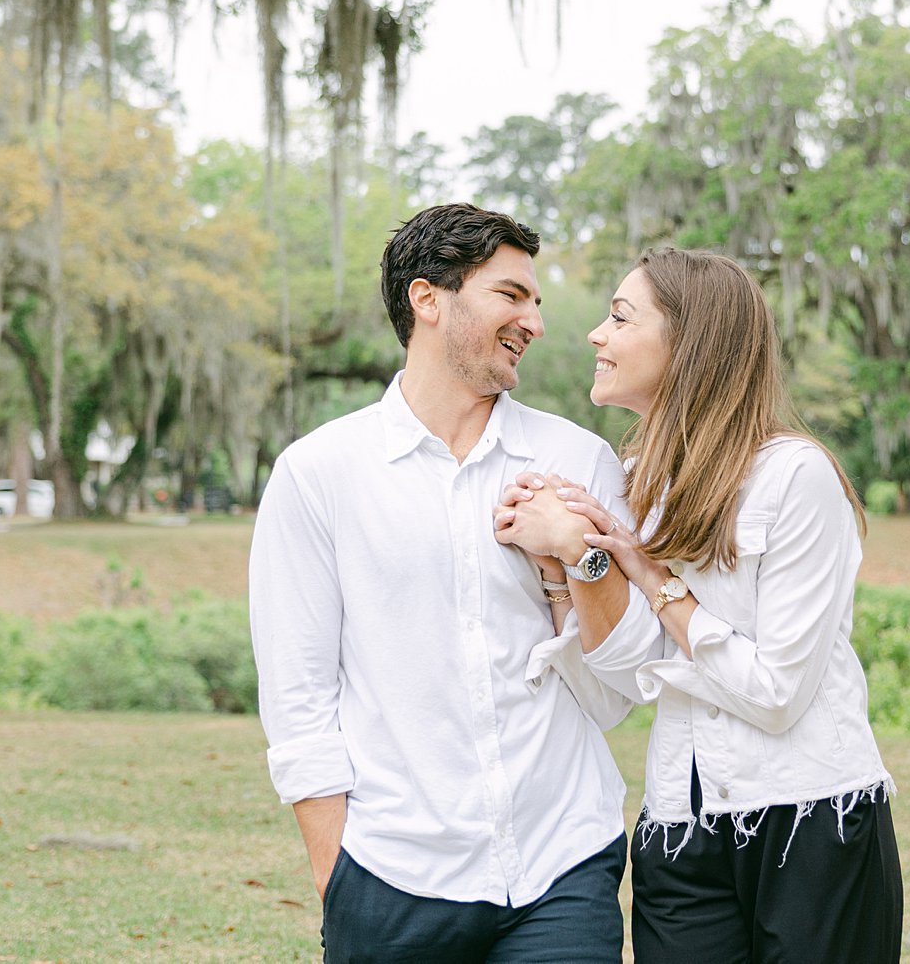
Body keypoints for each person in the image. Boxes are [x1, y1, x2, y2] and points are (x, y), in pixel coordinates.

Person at [248, 203, 651, 964]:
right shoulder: (318, 474)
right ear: (427, 300)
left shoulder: (580, 462)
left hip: (562, 866)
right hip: (390, 876)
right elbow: (298, 696)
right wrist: (335, 873)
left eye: (536, 300)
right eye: (511, 295)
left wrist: (578, 564)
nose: (534, 320)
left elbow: (615, 693)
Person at [494, 246, 903, 963]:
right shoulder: (634, 484)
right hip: (678, 825)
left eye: (620, 318)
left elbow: (776, 692)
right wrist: (572, 561)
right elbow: (622, 678)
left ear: (690, 341)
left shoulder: (793, 478)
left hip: (811, 819)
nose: (596, 334)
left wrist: (652, 580)